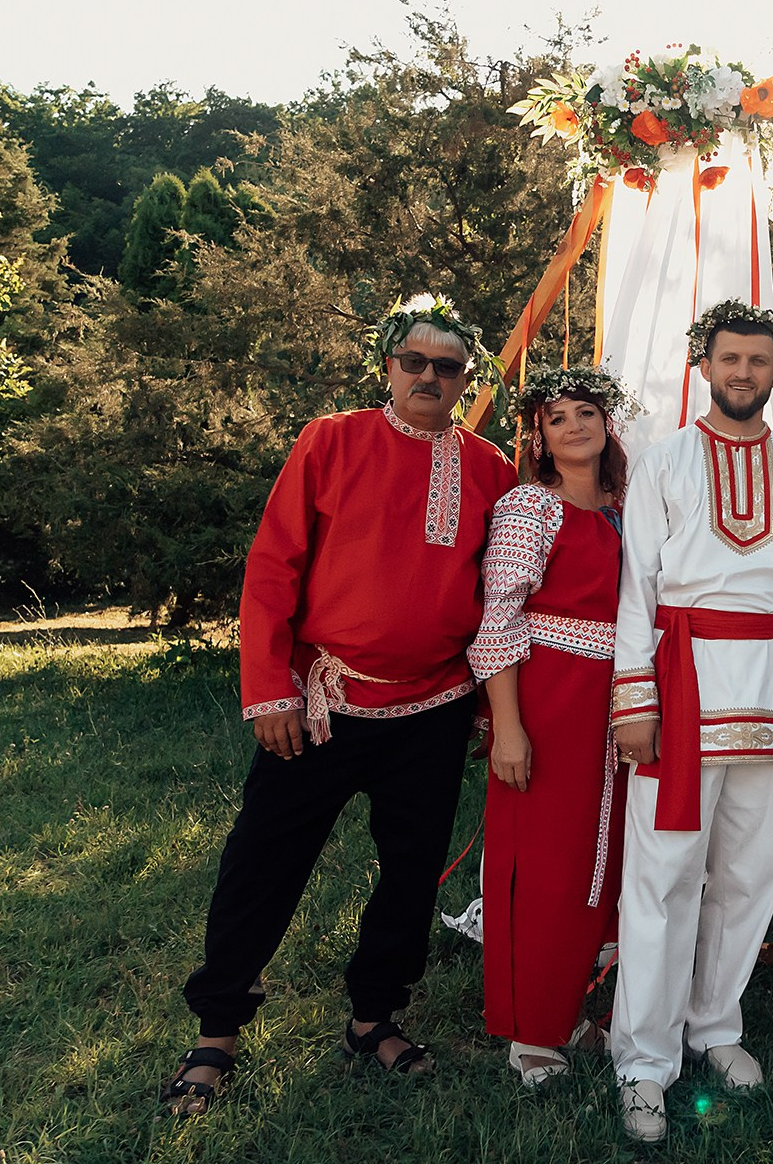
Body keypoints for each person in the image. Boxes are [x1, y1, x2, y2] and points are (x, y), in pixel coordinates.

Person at [162, 296, 516, 1115]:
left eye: (448, 367)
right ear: (388, 366)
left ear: (467, 380)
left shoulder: (492, 468)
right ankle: (217, 1031)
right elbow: (273, 568)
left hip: (435, 707)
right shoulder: (331, 441)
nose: (430, 377)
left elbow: (502, 599)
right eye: (415, 362)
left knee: (409, 871)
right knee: (263, 861)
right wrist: (269, 691)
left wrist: (493, 711)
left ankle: (374, 1017)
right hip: (319, 701)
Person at [608, 300, 773, 1143]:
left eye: (760, 361)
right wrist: (633, 701)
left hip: (770, 688)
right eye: (729, 359)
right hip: (680, 685)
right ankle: (642, 1059)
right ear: (702, 366)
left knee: (751, 873)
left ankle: (714, 1028)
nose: (744, 374)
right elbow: (636, 587)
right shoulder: (663, 461)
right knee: (665, 876)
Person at [470, 365, 641, 1089]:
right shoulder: (527, 511)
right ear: (538, 435)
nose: (574, 427)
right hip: (549, 696)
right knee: (541, 863)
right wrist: (507, 728)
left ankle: (574, 1004)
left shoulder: (627, 509)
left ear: (608, 425)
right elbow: (498, 620)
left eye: (586, 413)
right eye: (557, 417)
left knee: (602, 859)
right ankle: (529, 1030)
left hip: (618, 701)